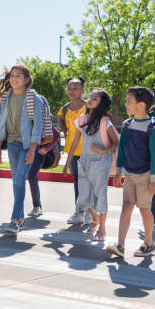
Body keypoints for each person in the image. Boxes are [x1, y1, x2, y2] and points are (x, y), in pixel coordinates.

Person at [107, 86, 155, 257]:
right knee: (126, 206)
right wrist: (118, 173)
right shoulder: (127, 124)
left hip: (145, 175)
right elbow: (121, 150)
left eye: (129, 101)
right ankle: (120, 246)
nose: (126, 104)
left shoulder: (153, 128)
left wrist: (154, 180)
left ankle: (149, 243)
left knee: (145, 209)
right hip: (129, 174)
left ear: (141, 105)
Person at [0, 64, 43, 235]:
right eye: (12, 75)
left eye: (18, 75)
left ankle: (14, 220)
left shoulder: (33, 98)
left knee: (20, 179)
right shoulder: (7, 97)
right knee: (16, 181)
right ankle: (20, 220)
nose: (14, 78)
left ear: (27, 80)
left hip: (27, 145)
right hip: (12, 144)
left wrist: (33, 149)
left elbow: (38, 125)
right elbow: (1, 124)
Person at [63, 88, 119, 241]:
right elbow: (75, 142)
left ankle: (102, 228)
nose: (90, 99)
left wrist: (102, 150)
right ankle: (94, 220)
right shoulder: (82, 119)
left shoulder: (104, 122)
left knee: (100, 196)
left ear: (101, 104)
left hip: (101, 162)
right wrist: (67, 163)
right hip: (84, 162)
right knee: (84, 197)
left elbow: (117, 143)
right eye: (90, 97)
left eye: (95, 98)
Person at [57, 77, 91, 225]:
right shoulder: (64, 109)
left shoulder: (90, 107)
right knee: (77, 181)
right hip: (72, 150)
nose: (72, 91)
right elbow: (63, 122)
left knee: (88, 181)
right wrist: (67, 134)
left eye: (75, 88)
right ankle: (79, 211)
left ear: (83, 91)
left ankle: (91, 212)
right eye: (70, 88)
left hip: (88, 150)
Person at [26, 95, 61, 217]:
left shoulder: (43, 118)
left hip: (38, 153)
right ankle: (36, 206)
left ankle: (37, 206)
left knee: (31, 176)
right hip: (26, 151)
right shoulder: (26, 117)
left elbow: (56, 135)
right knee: (27, 177)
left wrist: (46, 148)